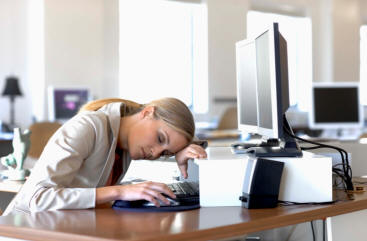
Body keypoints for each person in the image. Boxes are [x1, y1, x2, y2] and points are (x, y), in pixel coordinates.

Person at [7, 97, 207, 213]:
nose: (155, 153)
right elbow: (37, 198)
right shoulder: (88, 127)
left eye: (166, 152)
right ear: (147, 113)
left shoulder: (128, 143)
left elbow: (175, 138)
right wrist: (119, 191)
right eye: (160, 138)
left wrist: (181, 151)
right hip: (25, 232)